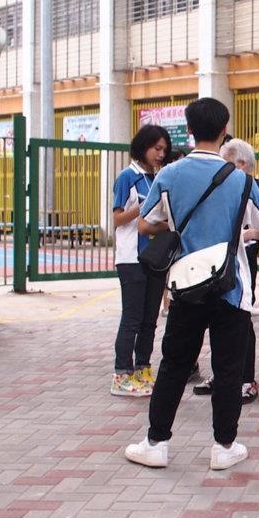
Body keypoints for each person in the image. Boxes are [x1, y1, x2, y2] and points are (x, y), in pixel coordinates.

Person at [124, 98, 259, 471]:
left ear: (189, 130)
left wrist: (176, 225)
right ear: (224, 131)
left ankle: (156, 442)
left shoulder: (169, 174)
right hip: (230, 287)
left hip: (186, 285)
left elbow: (145, 223)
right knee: (229, 369)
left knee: (174, 364)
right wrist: (240, 234)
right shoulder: (241, 179)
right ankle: (224, 446)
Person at [193, 138, 259, 405]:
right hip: (219, 258)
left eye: (227, 162)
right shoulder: (224, 183)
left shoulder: (249, 184)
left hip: (243, 258)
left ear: (241, 164)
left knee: (242, 315)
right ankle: (223, 374)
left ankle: (246, 379)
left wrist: (245, 235)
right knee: (220, 317)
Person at [111, 124, 170, 397]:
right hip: (131, 258)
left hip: (154, 258)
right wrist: (141, 208)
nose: (161, 154)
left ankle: (142, 368)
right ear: (143, 146)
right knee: (132, 318)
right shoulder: (128, 177)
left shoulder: (157, 178)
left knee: (150, 319)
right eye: (157, 148)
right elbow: (117, 218)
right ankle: (121, 374)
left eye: (164, 150)